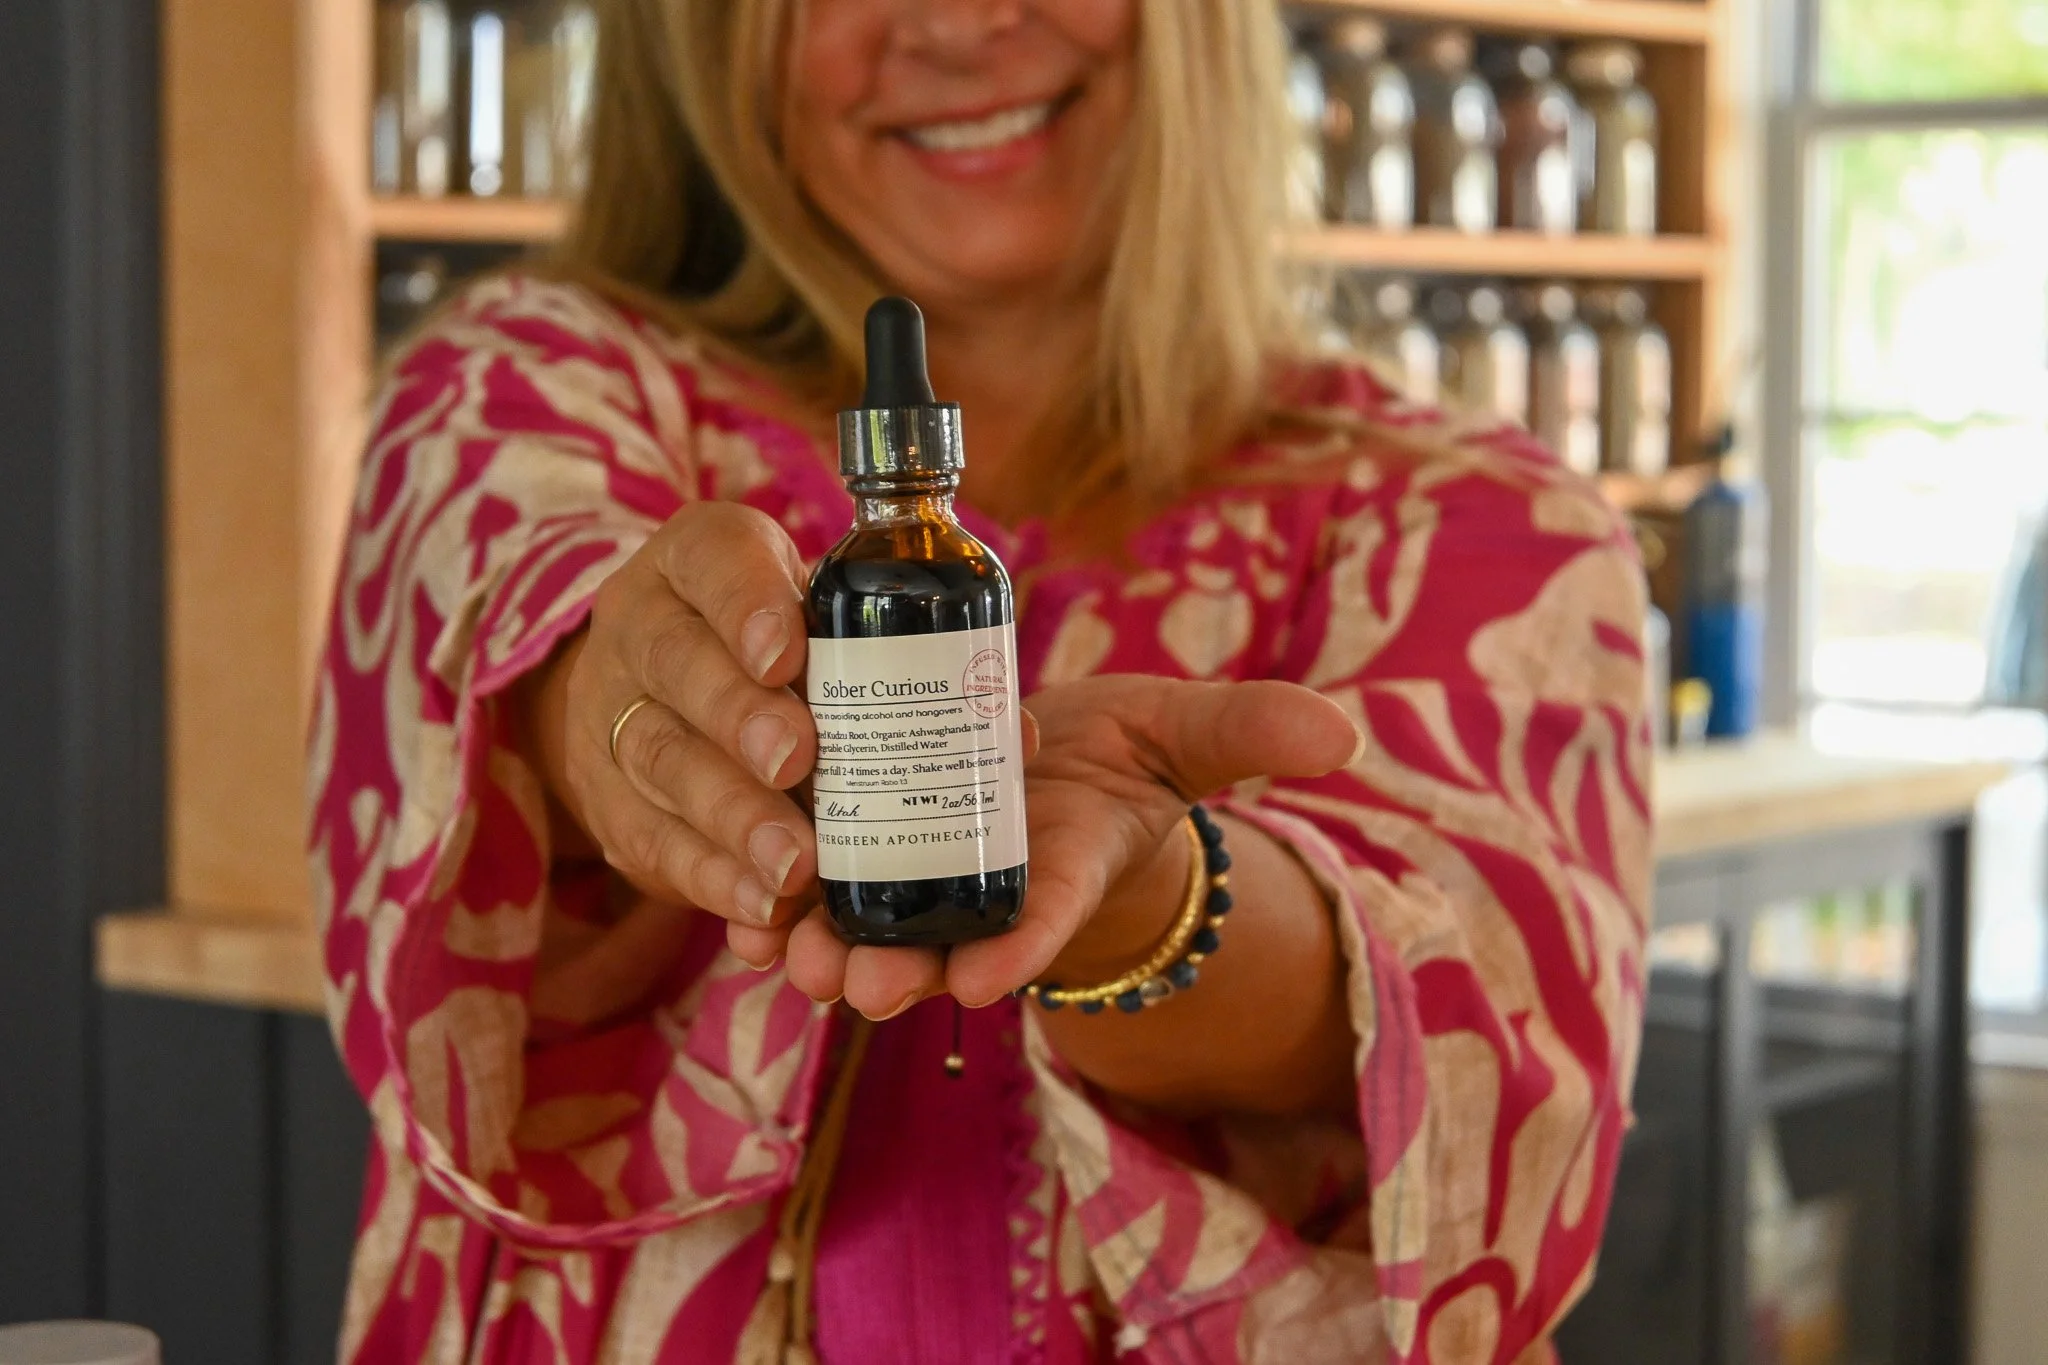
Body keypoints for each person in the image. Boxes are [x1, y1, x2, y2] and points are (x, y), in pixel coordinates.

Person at [307, 1, 1652, 1360]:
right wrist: (641, 711)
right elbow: (510, 578)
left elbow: (1481, 1014)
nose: (956, 24)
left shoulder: (1482, 518)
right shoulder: (519, 385)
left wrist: (1146, 905)